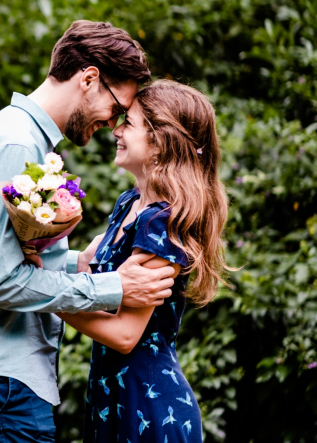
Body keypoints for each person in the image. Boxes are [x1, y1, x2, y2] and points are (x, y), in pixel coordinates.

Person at [0, 20, 177, 442]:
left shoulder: (28, 142)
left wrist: (72, 261)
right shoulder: (15, 145)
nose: (113, 123)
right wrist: (112, 287)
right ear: (89, 79)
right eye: (117, 107)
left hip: (7, 373)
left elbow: (2, 256)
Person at [58, 79, 233, 442]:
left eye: (129, 123)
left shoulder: (163, 220)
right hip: (112, 394)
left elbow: (124, 334)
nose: (116, 130)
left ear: (159, 144)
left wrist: (42, 296)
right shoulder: (129, 204)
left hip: (149, 405)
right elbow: (99, 287)